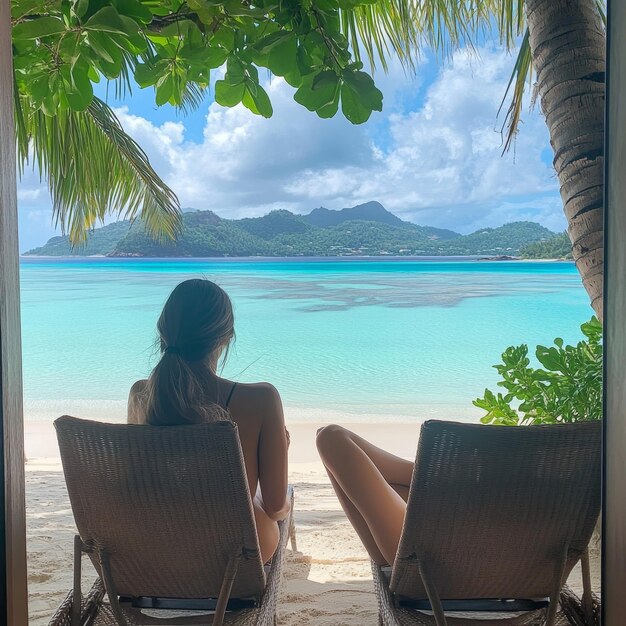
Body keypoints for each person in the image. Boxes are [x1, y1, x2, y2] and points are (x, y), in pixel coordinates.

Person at [128, 279, 290, 563]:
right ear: (225, 337)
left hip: (156, 556)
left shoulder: (141, 395)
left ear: (164, 333)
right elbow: (277, 507)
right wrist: (278, 458)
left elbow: (138, 483)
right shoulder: (261, 399)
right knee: (261, 509)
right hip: (230, 562)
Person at [316, 425, 414, 566]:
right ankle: (427, 477)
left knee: (331, 437)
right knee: (328, 436)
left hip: (419, 547)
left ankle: (427, 477)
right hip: (428, 523)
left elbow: (278, 507)